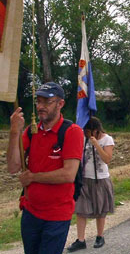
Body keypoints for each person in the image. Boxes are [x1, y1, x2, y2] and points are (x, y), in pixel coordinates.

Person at [7, 82, 84, 254]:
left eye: (46, 102)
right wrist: (14, 132)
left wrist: (33, 177)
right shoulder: (30, 132)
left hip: (57, 216)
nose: (41, 107)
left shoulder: (72, 132)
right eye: (38, 102)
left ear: (60, 104)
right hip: (31, 212)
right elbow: (13, 167)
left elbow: (68, 174)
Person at [67, 117, 114, 252]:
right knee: (81, 209)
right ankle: (80, 239)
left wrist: (96, 144)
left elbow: (107, 159)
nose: (87, 134)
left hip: (100, 178)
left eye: (89, 131)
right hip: (85, 179)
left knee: (100, 209)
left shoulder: (107, 139)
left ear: (96, 130)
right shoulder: (83, 139)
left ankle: (100, 236)